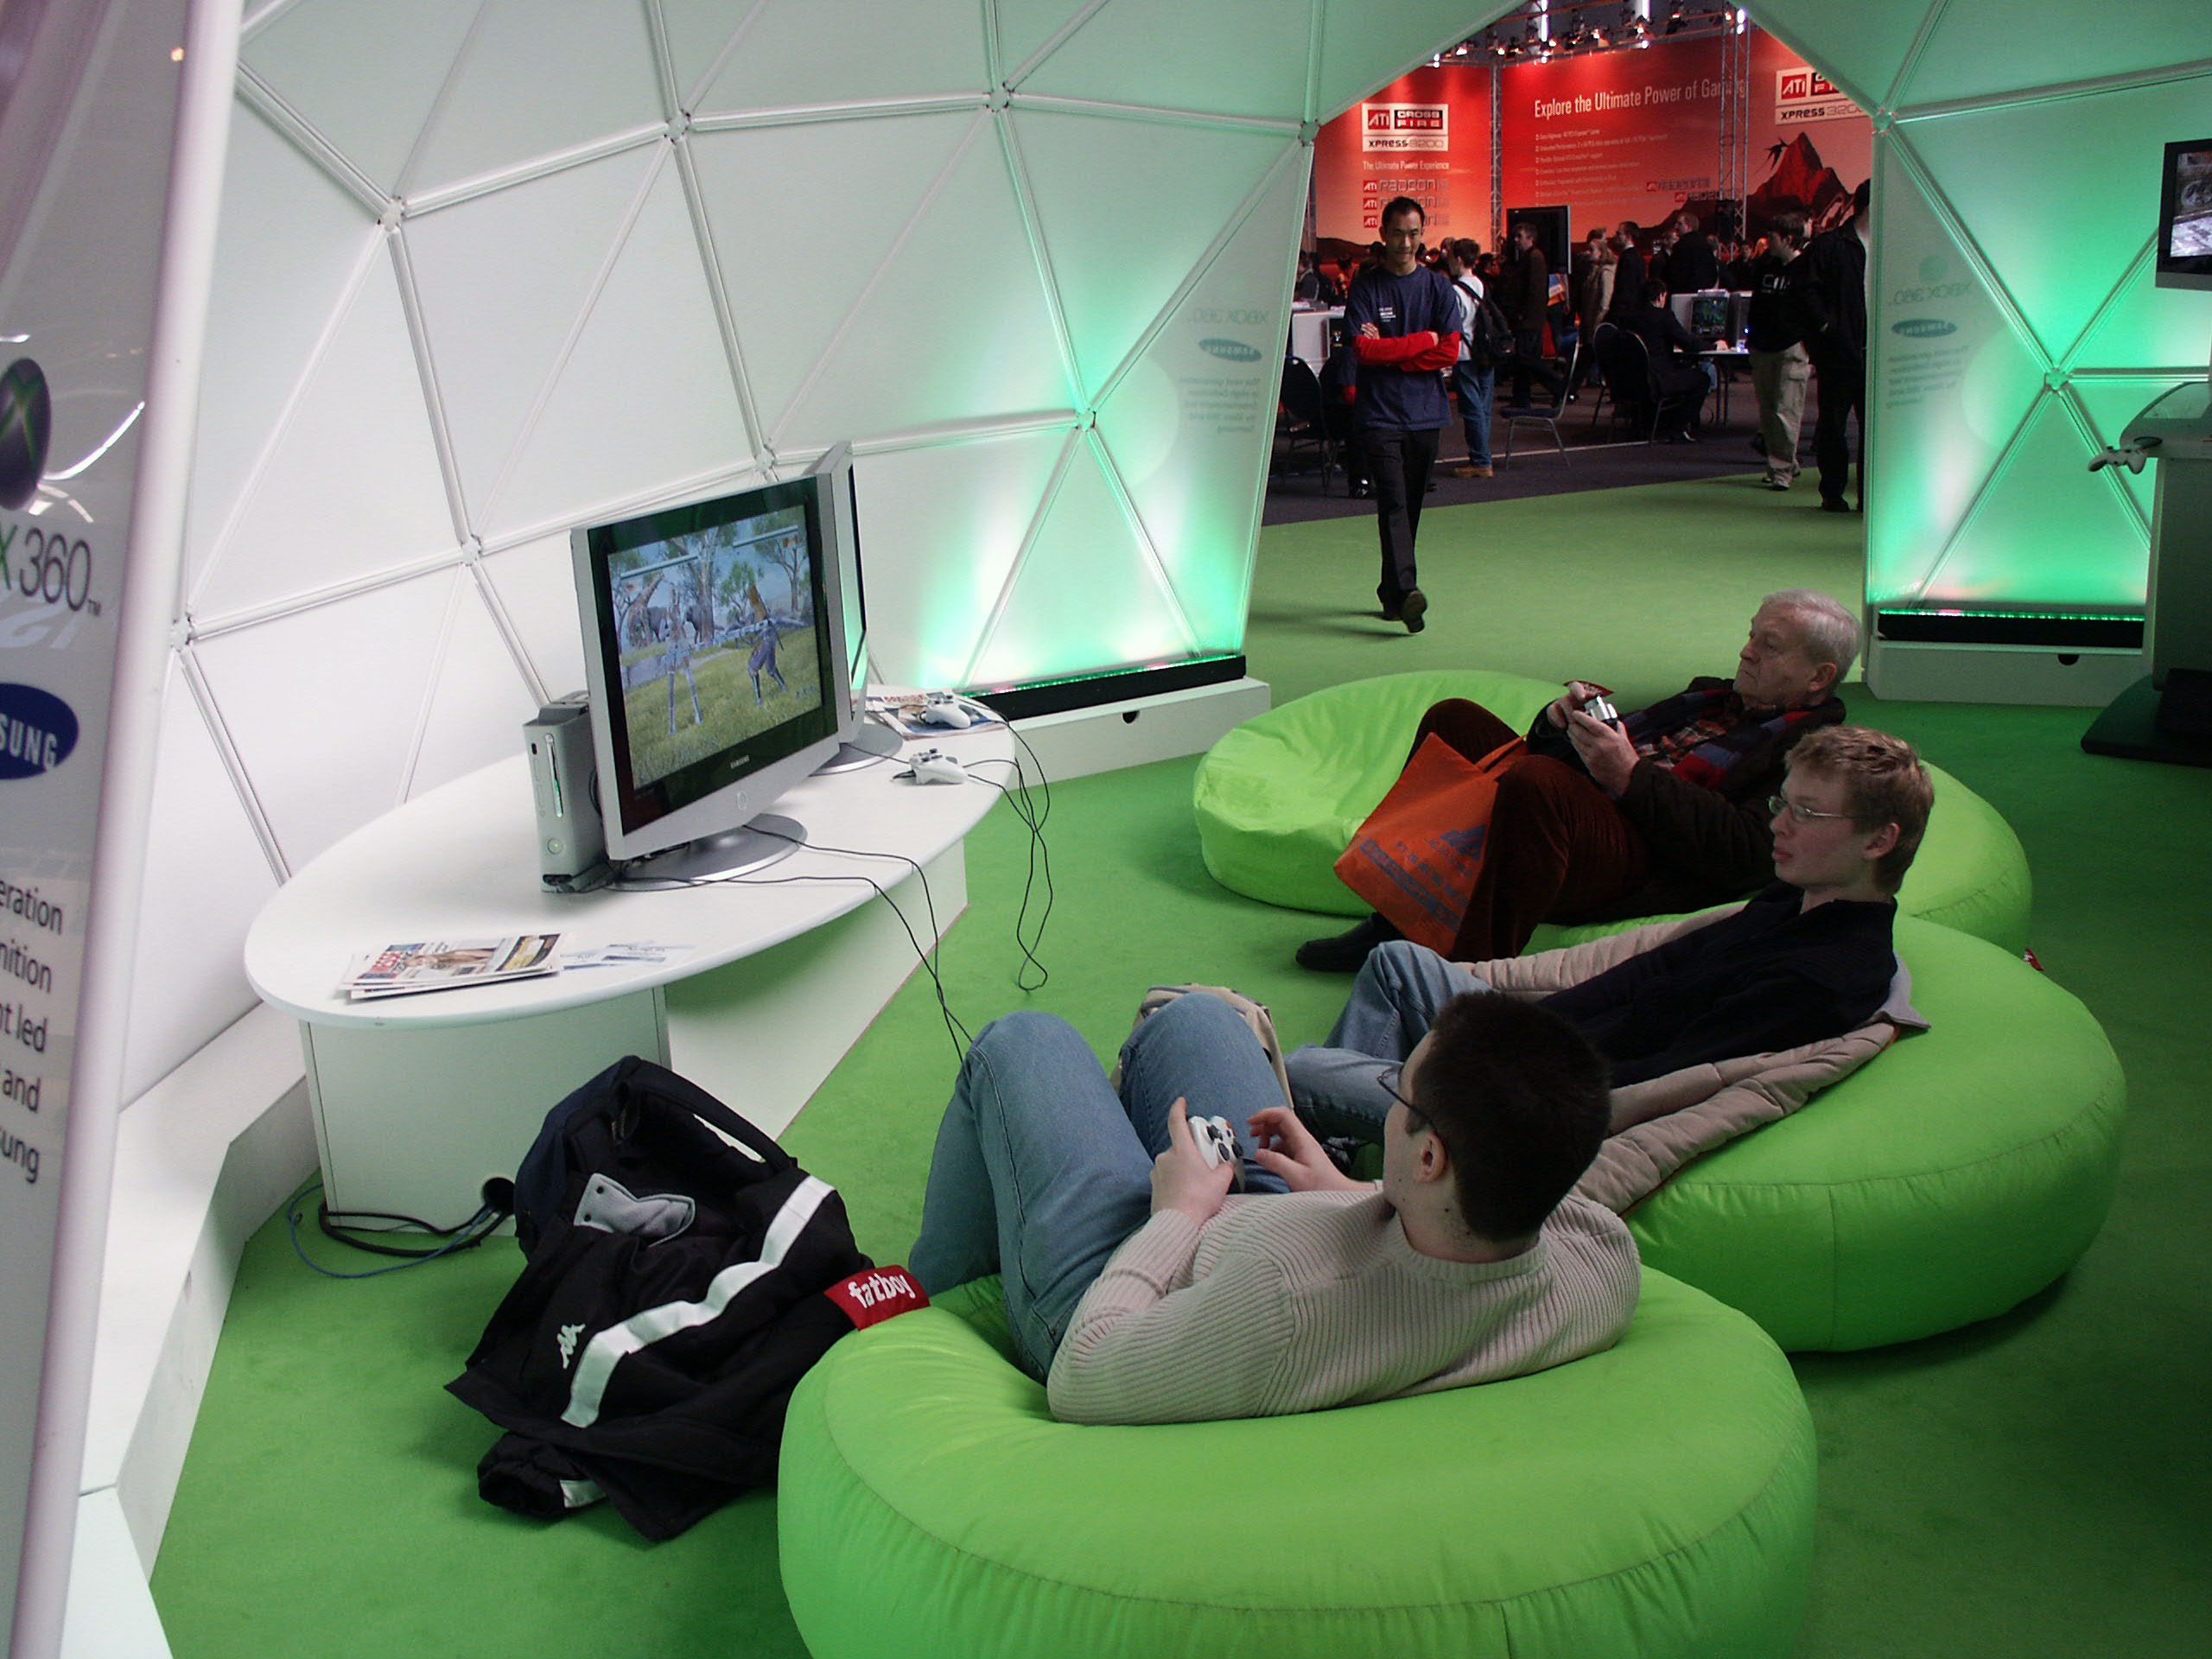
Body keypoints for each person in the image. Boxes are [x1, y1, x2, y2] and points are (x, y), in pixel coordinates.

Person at [909, 986, 1638, 1427]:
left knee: (1023, 1041)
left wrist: (1178, 1214)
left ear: (1429, 1160)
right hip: (1287, 1230)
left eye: (1400, 1095)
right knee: (1196, 1017)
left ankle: (934, 1307)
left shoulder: (1286, 1308)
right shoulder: (1603, 1252)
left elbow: (1084, 1374)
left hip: (1142, 1286)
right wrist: (1348, 1192)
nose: (1391, 1110)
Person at [1287, 724, 1932, 1142]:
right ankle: (1340, 1143)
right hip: (1534, 1051)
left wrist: (1478, 1069)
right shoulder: (1790, 900)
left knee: (1302, 1070)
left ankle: (1329, 1142)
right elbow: (1648, 971)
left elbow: (1664, 1080)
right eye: (1781, 803)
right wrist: (1514, 1028)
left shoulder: (1823, 976)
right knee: (1398, 962)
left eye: (1807, 813)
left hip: (1534, 1108)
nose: (1779, 825)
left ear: (1879, 840)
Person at [1296, 589, 1857, 970]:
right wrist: (1561, 724)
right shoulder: (1707, 695)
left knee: (1538, 781)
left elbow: (1746, 852)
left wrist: (1630, 776)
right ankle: (1397, 919)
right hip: (1592, 805)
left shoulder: (1812, 750)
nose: (1746, 651)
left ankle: (1467, 972)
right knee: (1454, 721)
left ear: (1819, 676)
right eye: (1751, 635)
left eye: (1769, 646)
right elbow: (1586, 754)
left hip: (1649, 859)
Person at [1338, 196, 1461, 632]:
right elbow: (1362, 350)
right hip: (1380, 415)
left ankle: (1391, 593)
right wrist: (1422, 340)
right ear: (1383, 234)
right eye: (1397, 233)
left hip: (1426, 414)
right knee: (1392, 501)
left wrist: (1393, 355)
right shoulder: (1367, 287)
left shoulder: (1439, 288)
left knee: (1410, 507)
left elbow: (1450, 351)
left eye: (1413, 234)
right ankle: (1409, 592)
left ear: (1422, 235)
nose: (1405, 243)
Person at [1794, 178, 1871, 512]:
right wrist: (1827, 328)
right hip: (1840, 352)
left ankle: (1869, 494)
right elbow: (1804, 291)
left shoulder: (1894, 246)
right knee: (1833, 426)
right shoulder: (1830, 246)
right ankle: (1833, 491)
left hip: (1878, 353)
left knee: (1874, 430)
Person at [1745, 213, 1812, 491]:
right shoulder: (1765, 265)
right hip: (1763, 344)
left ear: (1788, 239)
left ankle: (1781, 469)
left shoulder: (1807, 268)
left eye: (1772, 237)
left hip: (1791, 345)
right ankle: (1784, 462)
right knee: (1769, 412)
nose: (1767, 241)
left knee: (1787, 410)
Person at [1618, 278, 1714, 438]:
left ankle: (1656, 421)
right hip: (1656, 379)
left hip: (1629, 380)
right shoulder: (1663, 316)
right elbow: (1689, 344)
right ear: (1661, 296)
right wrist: (1715, 346)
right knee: (1702, 379)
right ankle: (1678, 427)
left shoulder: (1627, 317)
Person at [1495, 221, 1566, 409]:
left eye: (1520, 236)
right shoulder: (1528, 258)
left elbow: (1535, 291)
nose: (1516, 240)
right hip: (1528, 318)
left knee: (1526, 359)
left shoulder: (1534, 258)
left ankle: (1559, 386)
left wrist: (1523, 315)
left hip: (1529, 320)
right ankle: (1522, 397)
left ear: (1531, 238)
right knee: (1524, 360)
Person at [1442, 238, 1496, 480]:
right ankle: (1483, 455)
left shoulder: (1455, 291)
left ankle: (1481, 460)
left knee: (1472, 409)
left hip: (1465, 354)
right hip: (1486, 352)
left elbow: (1453, 324)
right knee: (1483, 408)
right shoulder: (1480, 284)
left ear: (1458, 259)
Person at [1664, 212, 1719, 294]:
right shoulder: (1705, 245)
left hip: (1684, 293)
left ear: (1689, 226)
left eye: (1680, 224)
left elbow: (1674, 272)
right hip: (1704, 293)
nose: (1676, 226)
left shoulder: (1681, 245)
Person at [1603, 221, 1647, 326]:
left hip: (1624, 313)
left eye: (1619, 233)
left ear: (1628, 237)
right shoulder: (1639, 257)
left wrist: (1615, 312)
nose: (1615, 237)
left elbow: (1623, 287)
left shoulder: (1627, 258)